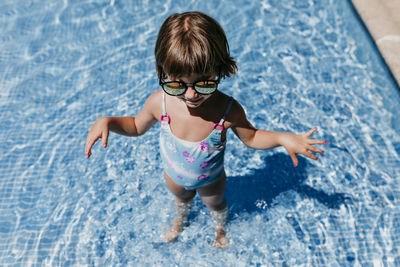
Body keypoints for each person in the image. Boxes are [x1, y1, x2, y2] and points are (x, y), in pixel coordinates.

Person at [85, 11, 326, 249]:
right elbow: (137, 126)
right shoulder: (160, 103)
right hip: (174, 175)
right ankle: (179, 222)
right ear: (163, 72)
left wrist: (283, 138)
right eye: (177, 84)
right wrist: (109, 122)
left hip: (211, 180)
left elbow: (252, 138)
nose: (191, 94)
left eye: (204, 83)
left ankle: (220, 230)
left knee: (216, 204)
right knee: (181, 199)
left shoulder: (227, 111)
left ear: (220, 70)